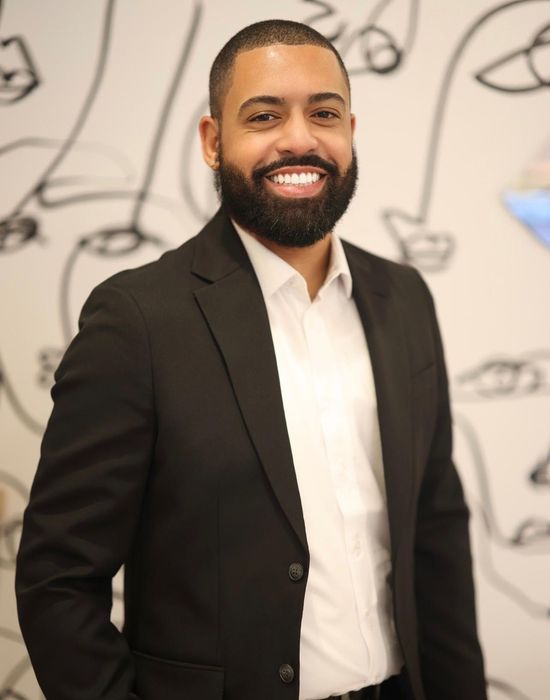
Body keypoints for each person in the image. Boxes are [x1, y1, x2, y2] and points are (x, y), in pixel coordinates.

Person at [15, 19, 487, 700]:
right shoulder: (139, 321)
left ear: (351, 130)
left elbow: (436, 532)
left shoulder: (403, 297)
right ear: (214, 141)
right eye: (264, 115)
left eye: (323, 113)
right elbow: (58, 578)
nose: (299, 138)